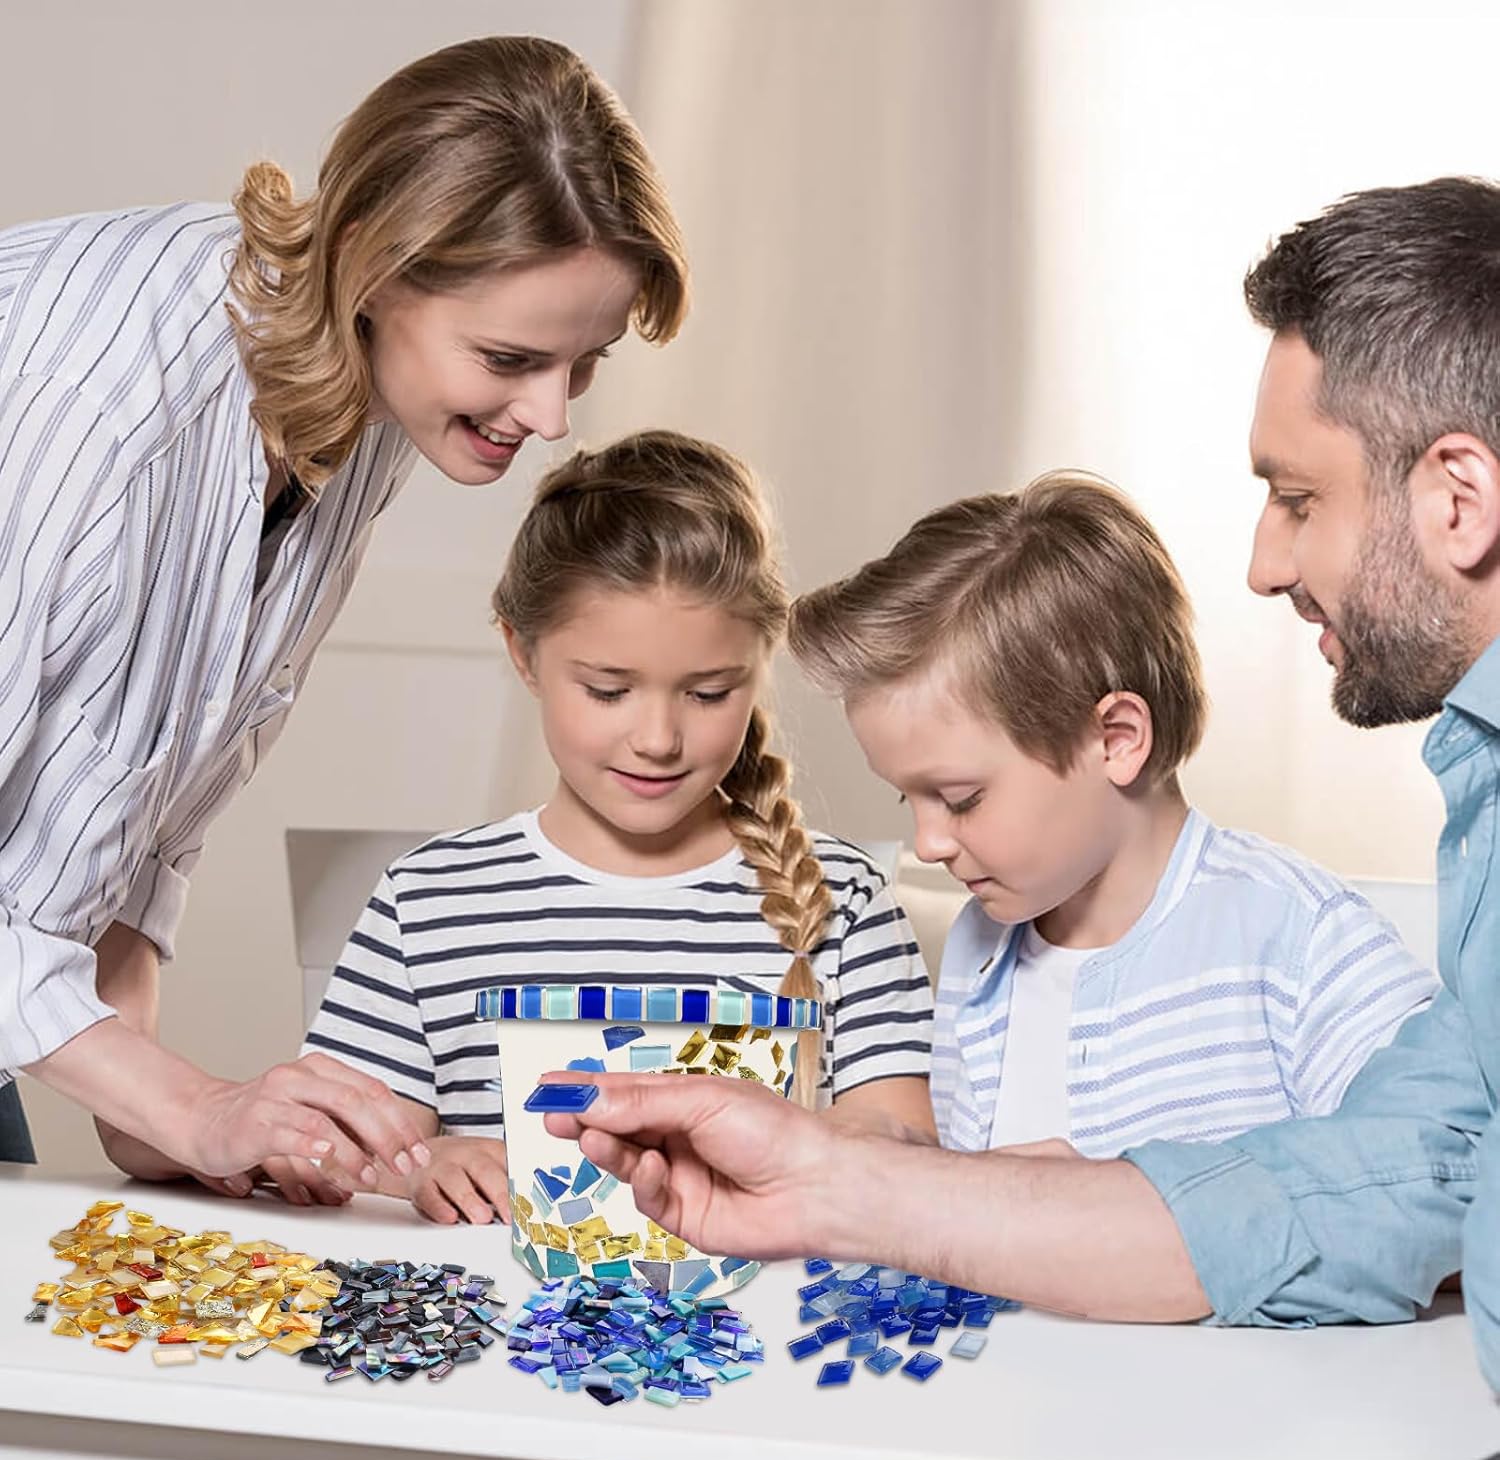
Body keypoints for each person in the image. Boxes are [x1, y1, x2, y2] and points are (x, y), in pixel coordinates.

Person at [544, 176, 1500, 1343]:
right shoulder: (991, 946)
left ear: (1462, 496)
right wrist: (850, 1183)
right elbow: (1414, 1170)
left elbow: (1420, 1207)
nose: (1260, 564)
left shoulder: (1296, 934)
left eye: (1297, 497)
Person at [0, 35, 688, 1196]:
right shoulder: (89, 406)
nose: (551, 416)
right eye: (511, 357)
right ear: (375, 264)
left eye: (585, 362)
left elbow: (133, 807)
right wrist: (191, 1107)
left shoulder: (368, 394)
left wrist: (163, 1123)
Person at [301, 430, 935, 1224]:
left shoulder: (845, 901)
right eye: (608, 691)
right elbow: (330, 1149)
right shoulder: (428, 900)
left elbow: (904, 1151)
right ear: (523, 654)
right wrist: (422, 1165)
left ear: (760, 662)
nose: (659, 739)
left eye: (708, 693)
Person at [788, 471, 1435, 1158]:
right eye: (907, 797)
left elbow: (1446, 1168)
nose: (928, 842)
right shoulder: (982, 944)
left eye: (961, 799)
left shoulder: (1299, 939)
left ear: (1117, 740)